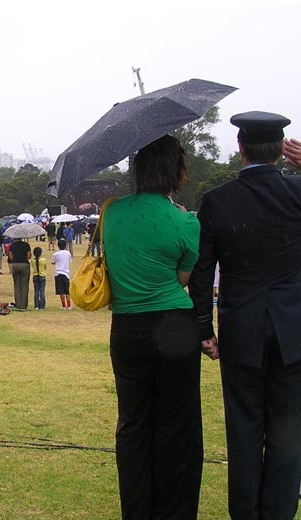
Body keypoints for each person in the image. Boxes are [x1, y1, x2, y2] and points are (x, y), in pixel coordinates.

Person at [189, 111, 301, 520]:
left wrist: (203, 328)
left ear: (240, 149)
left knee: (244, 431)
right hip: (296, 328)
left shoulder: (216, 201)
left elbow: (202, 272)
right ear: (282, 152)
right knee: (287, 434)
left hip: (242, 328)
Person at [104, 134, 202, 519]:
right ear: (174, 172)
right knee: (177, 425)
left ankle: (137, 509)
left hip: (125, 328)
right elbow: (182, 279)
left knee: (133, 423)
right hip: (173, 326)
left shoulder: (111, 212)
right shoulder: (184, 221)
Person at [8, 237, 31, 309]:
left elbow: (11, 257)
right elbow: (29, 256)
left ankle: (18, 304)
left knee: (17, 285)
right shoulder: (26, 245)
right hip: (24, 265)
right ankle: (23, 305)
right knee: (24, 286)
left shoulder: (12, 245)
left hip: (15, 265)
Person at [51, 238, 73, 310]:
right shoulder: (68, 253)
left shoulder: (56, 254)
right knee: (67, 290)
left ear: (58, 245)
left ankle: (63, 305)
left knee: (61, 291)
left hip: (58, 273)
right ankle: (69, 304)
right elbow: (70, 261)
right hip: (66, 273)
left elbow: (53, 262)